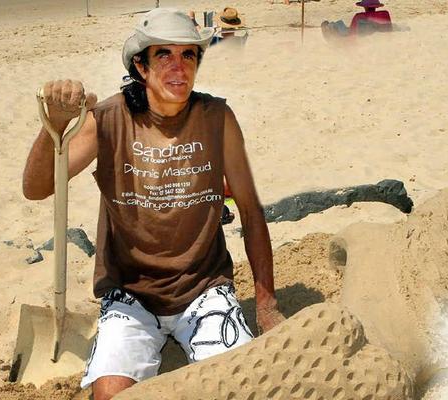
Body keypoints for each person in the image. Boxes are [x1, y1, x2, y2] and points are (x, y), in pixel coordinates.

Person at [22, 8, 284, 400]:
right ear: (140, 66)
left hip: (204, 287)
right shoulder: (108, 119)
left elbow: (249, 208)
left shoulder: (217, 118)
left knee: (236, 387)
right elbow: (37, 187)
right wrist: (54, 128)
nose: (178, 67)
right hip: (130, 294)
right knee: (109, 394)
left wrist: (267, 307)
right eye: (164, 54)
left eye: (188, 55)